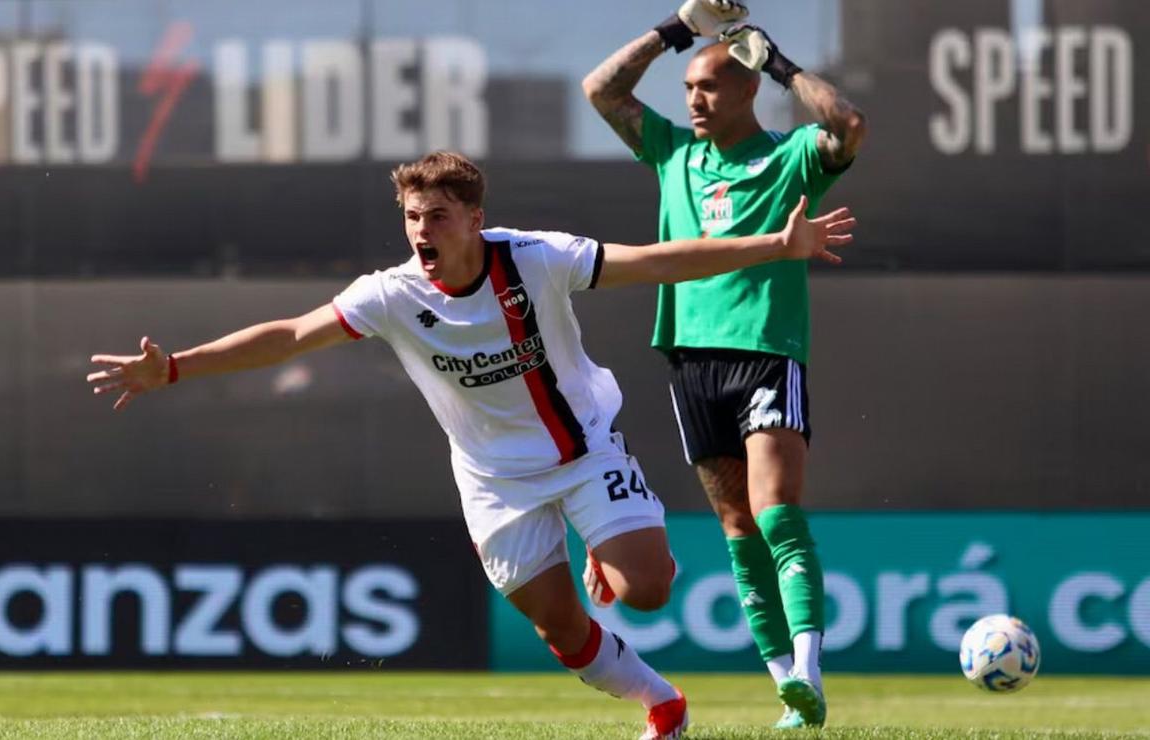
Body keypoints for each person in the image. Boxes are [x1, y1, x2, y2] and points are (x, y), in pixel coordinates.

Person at [86, 151, 854, 740]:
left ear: (475, 216)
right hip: (493, 480)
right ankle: (662, 703)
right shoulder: (391, 294)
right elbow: (289, 335)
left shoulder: (535, 258)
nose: (423, 231)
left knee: (648, 589)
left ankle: (608, 535)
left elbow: (655, 263)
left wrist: (772, 247)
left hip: (584, 450)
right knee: (562, 632)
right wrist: (177, 367)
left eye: (439, 216)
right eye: (413, 217)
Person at [583, 0, 868, 729]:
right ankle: (786, 690)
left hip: (767, 351)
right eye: (688, 90)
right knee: (738, 527)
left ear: (745, 89)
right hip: (691, 359)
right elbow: (601, 90)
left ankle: (810, 667)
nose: (695, 100)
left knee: (777, 513)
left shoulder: (789, 155)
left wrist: (776, 62)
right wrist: (678, 30)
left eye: (708, 86)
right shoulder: (673, 152)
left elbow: (848, 127)